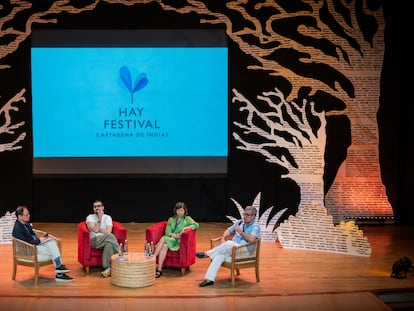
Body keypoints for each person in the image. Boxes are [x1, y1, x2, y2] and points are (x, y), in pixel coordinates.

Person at [196, 205, 260, 287]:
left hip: (245, 250)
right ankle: (209, 279)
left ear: (253, 217)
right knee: (219, 255)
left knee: (229, 243)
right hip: (233, 249)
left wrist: (241, 233)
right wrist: (223, 238)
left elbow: (252, 239)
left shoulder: (255, 226)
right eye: (244, 214)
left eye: (247, 215)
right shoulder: (240, 222)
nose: (244, 217)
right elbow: (228, 231)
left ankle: (207, 254)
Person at [12, 205, 74, 282]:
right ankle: (60, 273)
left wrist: (42, 239)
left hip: (35, 244)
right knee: (53, 251)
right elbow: (25, 243)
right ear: (20, 216)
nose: (29, 216)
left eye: (29, 214)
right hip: (29, 249)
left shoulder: (26, 224)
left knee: (51, 242)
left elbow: (32, 234)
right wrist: (39, 240)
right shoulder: (17, 229)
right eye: (27, 215)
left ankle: (59, 270)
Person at [152, 201, 199, 278]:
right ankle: (159, 269)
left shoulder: (187, 219)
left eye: (182, 210)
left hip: (179, 242)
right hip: (171, 239)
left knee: (163, 239)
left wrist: (186, 227)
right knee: (164, 245)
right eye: (178, 210)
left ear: (184, 211)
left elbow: (196, 225)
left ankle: (153, 257)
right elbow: (167, 233)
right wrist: (175, 236)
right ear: (175, 211)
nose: (180, 212)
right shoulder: (171, 219)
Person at [86, 200, 119, 278]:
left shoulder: (108, 217)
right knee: (111, 236)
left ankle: (107, 268)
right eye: (95, 207)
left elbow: (108, 231)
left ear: (103, 207)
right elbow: (96, 230)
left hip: (106, 239)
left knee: (109, 244)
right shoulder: (90, 217)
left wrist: (97, 228)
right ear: (93, 208)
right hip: (95, 240)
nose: (97, 208)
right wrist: (99, 219)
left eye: (99, 206)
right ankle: (120, 255)